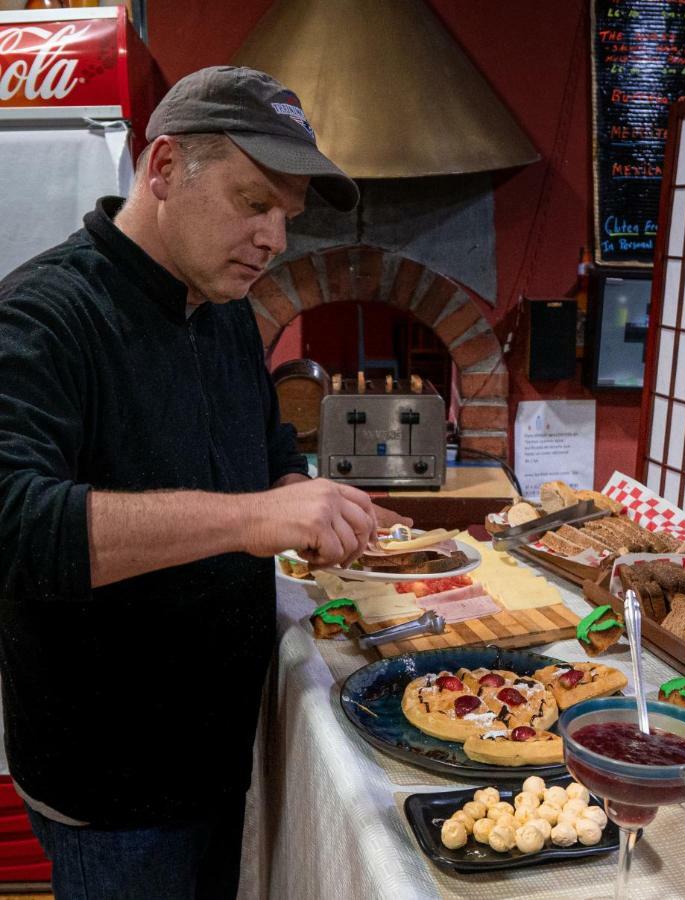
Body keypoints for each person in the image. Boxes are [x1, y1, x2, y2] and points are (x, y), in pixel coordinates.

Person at [0, 66, 405, 898]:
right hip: (114, 786)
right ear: (162, 168)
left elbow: (270, 462)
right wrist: (253, 518)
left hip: (225, 752)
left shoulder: (224, 314)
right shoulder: (44, 314)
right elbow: (16, 527)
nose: (274, 239)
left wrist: (321, 512)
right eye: (253, 202)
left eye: (286, 217)